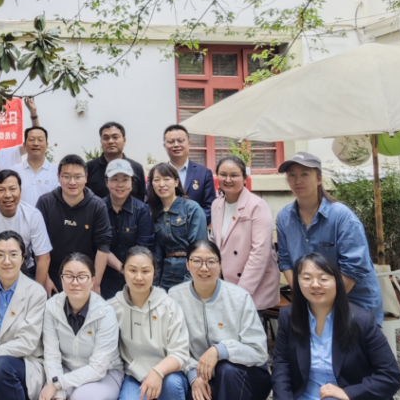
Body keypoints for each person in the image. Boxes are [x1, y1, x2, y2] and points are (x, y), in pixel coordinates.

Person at [272, 253, 400, 400]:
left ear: (337, 282)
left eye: (323, 279)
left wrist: (348, 393)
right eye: (307, 278)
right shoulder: (288, 316)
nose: (315, 284)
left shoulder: (362, 321)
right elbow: (281, 364)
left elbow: (391, 375)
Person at [274, 152, 383, 324]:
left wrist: (321, 305)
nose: (297, 180)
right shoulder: (283, 217)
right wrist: (305, 299)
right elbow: (286, 261)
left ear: (319, 179)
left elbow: (353, 268)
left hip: (353, 301)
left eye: (304, 174)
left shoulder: (342, 217)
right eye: (292, 175)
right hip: (313, 302)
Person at [168, 240, 271, 400]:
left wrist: (220, 350)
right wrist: (194, 375)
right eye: (197, 261)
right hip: (202, 376)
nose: (204, 268)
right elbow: (173, 347)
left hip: (245, 377)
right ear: (187, 264)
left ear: (220, 265)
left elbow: (259, 351)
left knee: (226, 369)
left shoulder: (239, 298)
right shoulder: (175, 297)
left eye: (211, 262)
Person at [0, 231, 48, 400]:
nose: (6, 261)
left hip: (24, 364)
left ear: (23, 259)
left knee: (0, 366)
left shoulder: (36, 293)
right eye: (0, 255)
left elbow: (27, 343)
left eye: (13, 255)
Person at [108, 247, 190, 400]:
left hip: (168, 373)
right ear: (123, 270)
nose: (139, 277)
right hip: (133, 376)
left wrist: (157, 371)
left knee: (172, 385)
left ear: (154, 272)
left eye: (145, 271)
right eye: (132, 270)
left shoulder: (169, 306)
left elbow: (180, 353)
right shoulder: (112, 308)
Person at [40, 253, 124, 400]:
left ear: (92, 280)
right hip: (66, 369)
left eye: (82, 276)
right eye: (69, 276)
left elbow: (98, 367)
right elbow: (52, 357)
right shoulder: (51, 307)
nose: (75, 282)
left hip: (105, 374)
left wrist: (57, 384)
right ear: (61, 279)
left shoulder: (105, 312)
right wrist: (58, 394)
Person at [211, 156, 280, 310]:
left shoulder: (257, 205)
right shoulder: (216, 204)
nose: (228, 179)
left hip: (253, 285)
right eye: (223, 174)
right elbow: (215, 242)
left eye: (234, 175)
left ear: (244, 179)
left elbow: (260, 252)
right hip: (225, 283)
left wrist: (241, 292)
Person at [36, 155, 112, 295]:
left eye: (78, 177)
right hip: (52, 272)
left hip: (84, 274)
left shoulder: (97, 206)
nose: (72, 182)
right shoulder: (45, 203)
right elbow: (38, 244)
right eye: (66, 177)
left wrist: (95, 284)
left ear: (86, 178)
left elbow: (103, 247)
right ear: (58, 177)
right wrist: (45, 278)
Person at [0, 170, 52, 287]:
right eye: (1, 190)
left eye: (13, 189)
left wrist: (38, 292)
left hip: (24, 270)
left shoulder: (33, 215)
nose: (8, 195)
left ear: (20, 191)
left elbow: (43, 257)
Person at [147, 163, 207, 291]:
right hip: (166, 277)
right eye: (156, 180)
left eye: (166, 179)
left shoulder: (192, 209)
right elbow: (157, 255)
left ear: (176, 182)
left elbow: (199, 250)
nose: (161, 184)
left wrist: (189, 281)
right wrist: (154, 285)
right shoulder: (154, 213)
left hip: (189, 275)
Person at [100, 160, 154, 299]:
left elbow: (144, 246)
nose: (120, 184)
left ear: (132, 183)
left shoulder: (141, 210)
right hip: (104, 277)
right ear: (106, 182)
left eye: (125, 180)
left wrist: (129, 270)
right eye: (114, 179)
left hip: (136, 276)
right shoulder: (98, 208)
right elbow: (98, 244)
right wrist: (121, 268)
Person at [162, 125, 215, 224]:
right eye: (171, 141)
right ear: (165, 145)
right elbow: (150, 205)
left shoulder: (204, 173)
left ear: (189, 143)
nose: (176, 145)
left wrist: (193, 226)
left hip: (194, 230)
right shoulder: (157, 174)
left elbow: (209, 207)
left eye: (180, 140)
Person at [85, 122, 146, 201]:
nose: (110, 141)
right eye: (106, 138)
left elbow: (141, 198)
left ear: (124, 140)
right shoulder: (88, 168)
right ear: (101, 142)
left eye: (115, 137)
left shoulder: (136, 168)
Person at [12, 126, 57, 208]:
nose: (36, 143)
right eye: (31, 139)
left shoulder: (57, 172)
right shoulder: (14, 171)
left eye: (40, 140)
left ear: (46, 145)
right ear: (24, 145)